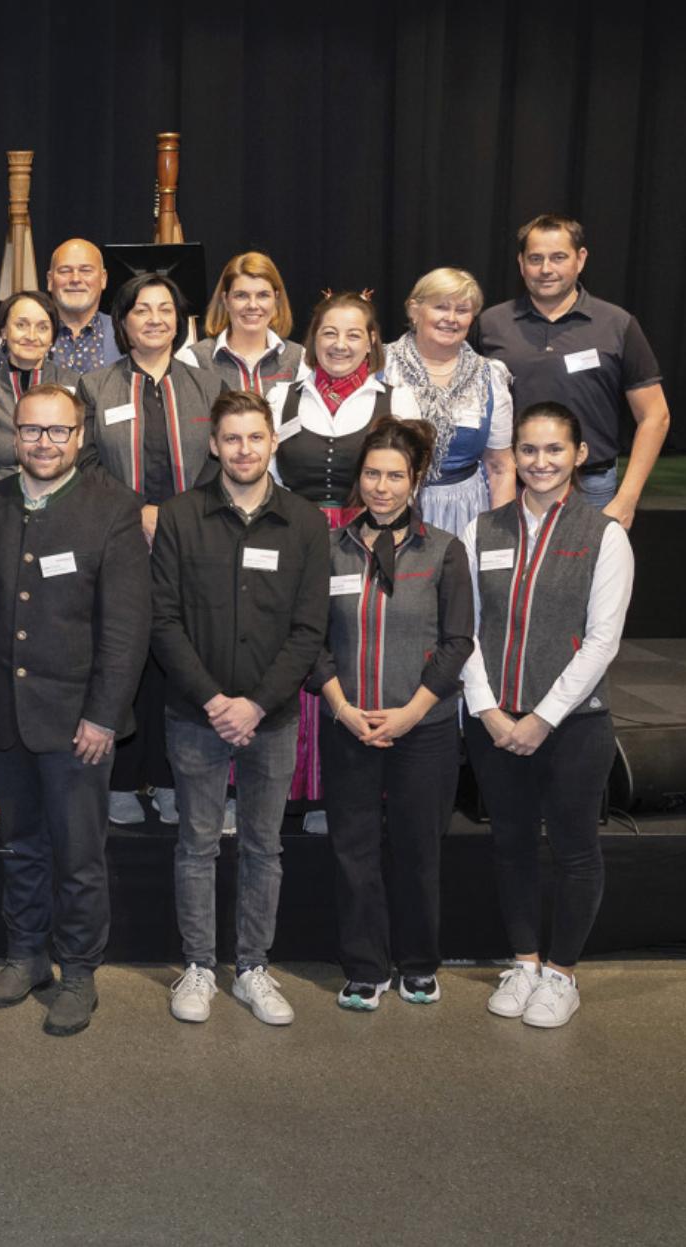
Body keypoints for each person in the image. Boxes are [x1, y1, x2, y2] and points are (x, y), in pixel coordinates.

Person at [150, 388, 329, 1026]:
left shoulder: (306, 523)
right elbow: (163, 621)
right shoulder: (179, 516)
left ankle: (253, 966)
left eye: (256, 437)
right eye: (232, 438)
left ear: (272, 442)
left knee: (263, 847)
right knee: (195, 844)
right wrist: (215, 700)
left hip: (273, 718)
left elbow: (309, 631)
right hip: (194, 715)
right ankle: (199, 965)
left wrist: (254, 704)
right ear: (214, 445)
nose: (244, 449)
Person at [0, 386, 148, 1036]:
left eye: (57, 431)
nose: (43, 442)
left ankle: (79, 969)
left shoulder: (112, 508)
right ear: (14, 436)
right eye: (31, 431)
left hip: (78, 720)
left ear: (81, 436)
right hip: (4, 715)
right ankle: (26, 954)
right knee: (20, 844)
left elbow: (127, 628)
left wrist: (103, 715)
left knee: (78, 853)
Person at [461, 401, 633, 1029]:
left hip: (574, 726)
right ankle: (525, 961)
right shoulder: (483, 530)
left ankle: (561, 975)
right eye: (528, 450)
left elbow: (602, 641)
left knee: (575, 849)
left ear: (579, 454)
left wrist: (542, 718)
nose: (539, 462)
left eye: (554, 450)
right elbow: (466, 630)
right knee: (510, 845)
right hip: (495, 725)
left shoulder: (605, 535)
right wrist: (486, 709)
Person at [312, 418, 473, 1011]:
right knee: (352, 852)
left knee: (417, 851)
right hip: (349, 725)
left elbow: (458, 642)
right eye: (372, 474)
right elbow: (312, 640)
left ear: (415, 480)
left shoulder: (444, 551)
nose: (382, 487)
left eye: (395, 476)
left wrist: (411, 713)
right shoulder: (329, 549)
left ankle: (418, 962)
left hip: (422, 731)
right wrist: (342, 709)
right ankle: (363, 965)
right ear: (359, 477)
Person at [79, 272, 224, 827]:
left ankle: (169, 779)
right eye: (142, 310)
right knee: (123, 654)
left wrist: (181, 517)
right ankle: (118, 778)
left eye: (166, 309)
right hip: (121, 539)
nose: (155, 319)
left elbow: (223, 457)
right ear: (124, 321)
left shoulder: (205, 384)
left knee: (181, 659)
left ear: (181, 321)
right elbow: (85, 460)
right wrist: (135, 510)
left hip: (192, 543)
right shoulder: (97, 386)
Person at [268, 291, 395, 818]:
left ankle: (338, 793)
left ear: (371, 342)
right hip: (292, 538)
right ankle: (282, 789)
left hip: (361, 539)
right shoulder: (281, 398)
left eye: (353, 334)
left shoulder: (396, 400)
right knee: (288, 653)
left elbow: (400, 484)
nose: (340, 345)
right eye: (328, 334)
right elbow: (268, 477)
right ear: (311, 341)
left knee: (349, 653)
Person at [475, 214, 669, 528]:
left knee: (590, 577)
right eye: (535, 259)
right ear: (521, 263)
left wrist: (627, 498)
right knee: (512, 578)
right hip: (511, 487)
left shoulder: (617, 324)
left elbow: (655, 416)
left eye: (558, 257)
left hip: (592, 487)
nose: (546, 269)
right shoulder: (490, 324)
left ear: (580, 259)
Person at [382, 267, 515, 535]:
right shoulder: (380, 366)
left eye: (462, 310)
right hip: (391, 508)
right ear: (414, 310)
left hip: (468, 511)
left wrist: (499, 536)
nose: (451, 318)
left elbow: (500, 467)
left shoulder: (489, 376)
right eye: (441, 307)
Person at [0, 290, 90, 480]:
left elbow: (85, 457)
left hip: (61, 500)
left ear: (52, 337)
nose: (31, 336)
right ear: (4, 331)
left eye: (42, 327)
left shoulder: (75, 385)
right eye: (21, 325)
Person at [178, 251, 308, 395]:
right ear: (226, 300)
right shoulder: (195, 360)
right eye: (241, 296)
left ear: (276, 300)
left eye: (263, 295)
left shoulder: (299, 359)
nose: (252, 305)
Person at [44, 238, 116, 375]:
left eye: (86, 271)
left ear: (103, 279)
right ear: (50, 280)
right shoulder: (22, 337)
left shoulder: (126, 335)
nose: (75, 279)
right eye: (65, 271)